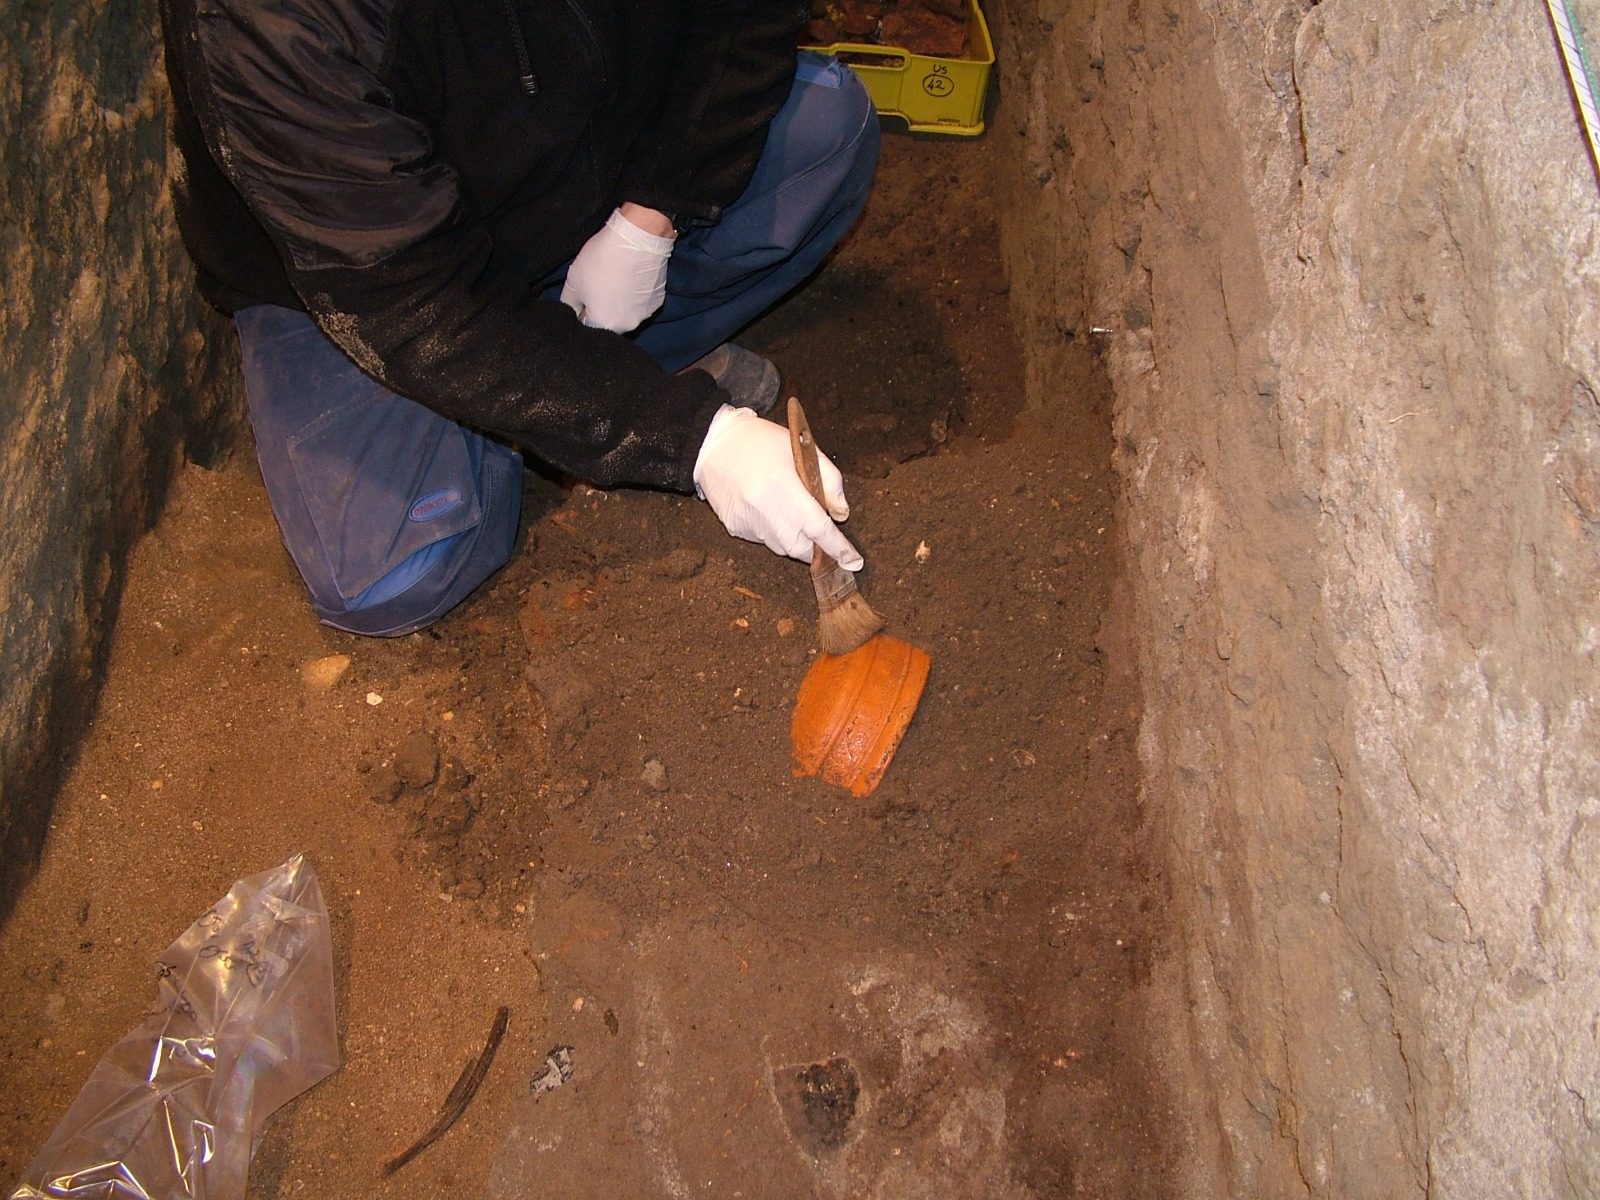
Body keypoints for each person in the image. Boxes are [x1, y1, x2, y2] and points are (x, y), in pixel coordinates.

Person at [158, 0, 881, 635]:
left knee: (828, 136)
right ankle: (543, 396)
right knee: (401, 574)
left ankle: (566, 374)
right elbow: (407, 302)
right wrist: (695, 438)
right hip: (377, 268)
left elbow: (744, 16)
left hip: (589, 169)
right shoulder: (271, 23)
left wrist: (656, 210)